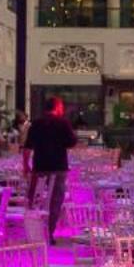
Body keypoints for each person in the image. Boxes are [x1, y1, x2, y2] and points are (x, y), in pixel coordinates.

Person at [24, 98, 77, 237]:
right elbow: (72, 142)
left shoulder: (36, 124)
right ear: (58, 107)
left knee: (34, 199)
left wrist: (25, 165)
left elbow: (27, 147)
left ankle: (35, 232)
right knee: (55, 200)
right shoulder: (63, 123)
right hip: (58, 167)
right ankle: (49, 232)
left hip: (39, 166)